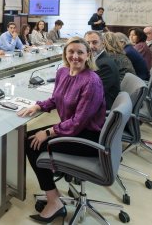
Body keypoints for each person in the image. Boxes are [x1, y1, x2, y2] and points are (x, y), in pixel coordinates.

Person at [18, 37, 106, 224]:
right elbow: (56, 99)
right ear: (65, 54)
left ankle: (54, 202)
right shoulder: (63, 72)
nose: (75, 56)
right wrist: (38, 106)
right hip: (71, 130)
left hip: (86, 137)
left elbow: (78, 122)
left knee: (33, 144)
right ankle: (53, 193)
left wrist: (49, 132)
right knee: (28, 139)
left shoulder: (92, 81)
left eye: (80, 52)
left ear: (88, 55)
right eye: (71, 52)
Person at [84, 30, 120, 109]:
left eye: (95, 42)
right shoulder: (96, 59)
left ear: (103, 44)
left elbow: (92, 92)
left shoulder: (104, 65)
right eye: (87, 43)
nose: (90, 46)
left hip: (103, 106)